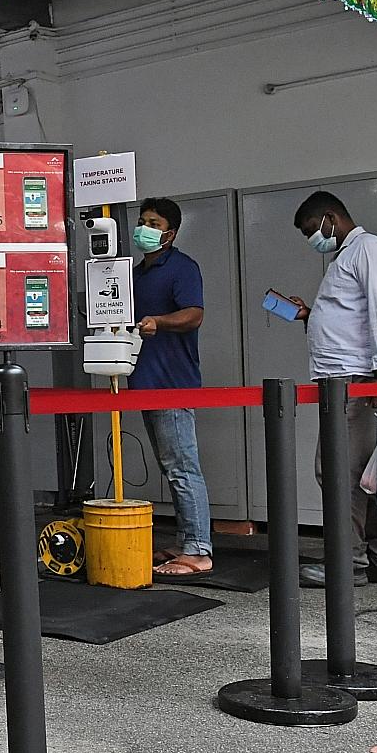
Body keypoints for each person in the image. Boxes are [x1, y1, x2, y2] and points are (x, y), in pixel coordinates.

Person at [284, 190, 377, 589]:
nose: (312, 240)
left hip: (356, 383)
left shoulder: (369, 250)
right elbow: (351, 314)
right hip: (352, 379)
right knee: (376, 473)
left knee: (339, 471)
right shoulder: (350, 255)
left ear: (330, 218)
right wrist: (310, 315)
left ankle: (349, 563)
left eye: (311, 231)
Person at [128, 197, 213, 577]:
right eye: (143, 221)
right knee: (171, 465)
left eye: (154, 223)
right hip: (145, 381)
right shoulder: (135, 272)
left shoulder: (182, 268)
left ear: (171, 232)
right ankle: (185, 541)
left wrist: (159, 322)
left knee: (182, 468)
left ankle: (198, 549)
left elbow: (194, 314)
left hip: (172, 382)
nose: (146, 228)